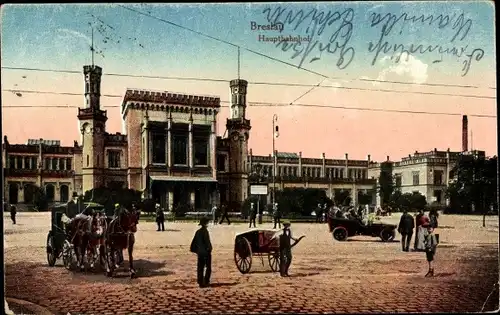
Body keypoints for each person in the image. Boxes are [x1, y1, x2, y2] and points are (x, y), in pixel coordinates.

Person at [190, 217, 212, 288]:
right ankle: (206, 280)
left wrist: (196, 250)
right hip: (205, 252)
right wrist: (210, 248)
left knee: (200, 267)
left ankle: (200, 280)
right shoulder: (205, 231)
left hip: (199, 252)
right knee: (208, 267)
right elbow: (207, 242)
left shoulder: (198, 232)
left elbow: (194, 242)